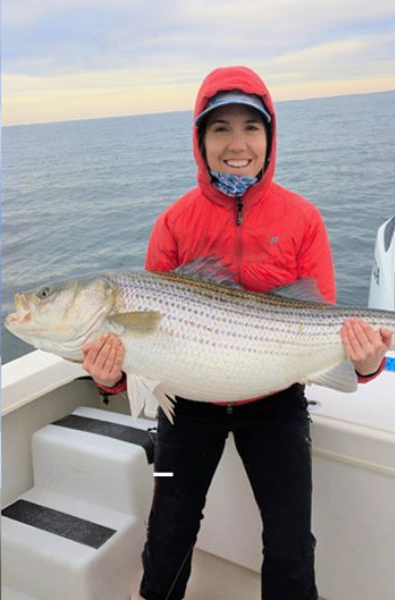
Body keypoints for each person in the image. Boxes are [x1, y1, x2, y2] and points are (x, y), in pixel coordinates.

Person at [82, 66, 392, 600]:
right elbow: (145, 352)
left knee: (292, 542)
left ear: (270, 137)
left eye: (251, 127)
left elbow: (329, 334)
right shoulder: (173, 224)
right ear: (199, 141)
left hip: (277, 403)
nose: (237, 144)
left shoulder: (303, 219)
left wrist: (365, 364)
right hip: (186, 407)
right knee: (169, 532)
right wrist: (111, 378)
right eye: (219, 128)